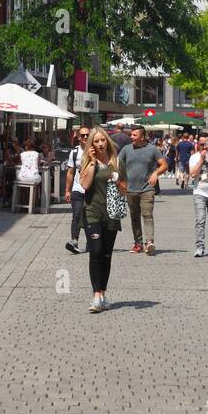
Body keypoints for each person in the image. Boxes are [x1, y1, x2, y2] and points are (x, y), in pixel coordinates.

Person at [80, 128, 126, 313]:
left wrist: (117, 180)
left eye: (102, 141)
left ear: (107, 141)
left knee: (107, 254)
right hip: (93, 211)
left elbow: (124, 190)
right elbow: (84, 185)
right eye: (96, 141)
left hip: (112, 213)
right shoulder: (87, 162)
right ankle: (95, 295)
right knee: (96, 251)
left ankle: (103, 294)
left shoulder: (117, 162)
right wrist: (91, 163)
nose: (100, 144)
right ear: (91, 144)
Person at [118, 124, 167, 255]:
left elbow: (164, 165)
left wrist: (156, 173)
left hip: (147, 189)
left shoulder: (153, 149)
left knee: (147, 215)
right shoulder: (126, 149)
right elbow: (117, 164)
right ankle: (138, 243)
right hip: (130, 189)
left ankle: (149, 241)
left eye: (134, 135)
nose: (132, 137)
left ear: (143, 136)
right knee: (134, 217)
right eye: (131, 135)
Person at [64, 125, 92, 253]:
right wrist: (67, 190)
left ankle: (91, 241)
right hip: (77, 188)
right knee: (76, 214)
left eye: (87, 134)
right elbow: (70, 172)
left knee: (90, 216)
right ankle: (74, 240)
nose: (85, 137)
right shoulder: (74, 152)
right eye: (82, 135)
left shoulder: (96, 149)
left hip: (92, 189)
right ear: (78, 138)